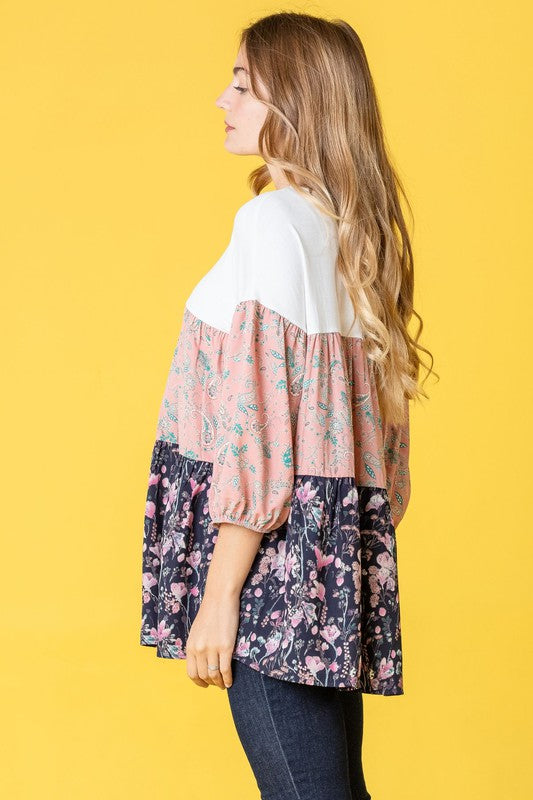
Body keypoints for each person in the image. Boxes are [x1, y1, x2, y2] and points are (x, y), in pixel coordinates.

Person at [140, 12, 435, 800]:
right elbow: (380, 453)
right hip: (323, 568)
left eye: (241, 84)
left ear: (295, 102)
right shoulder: (347, 232)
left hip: (269, 575)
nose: (220, 100)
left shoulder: (271, 222)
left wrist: (220, 596)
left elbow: (258, 430)